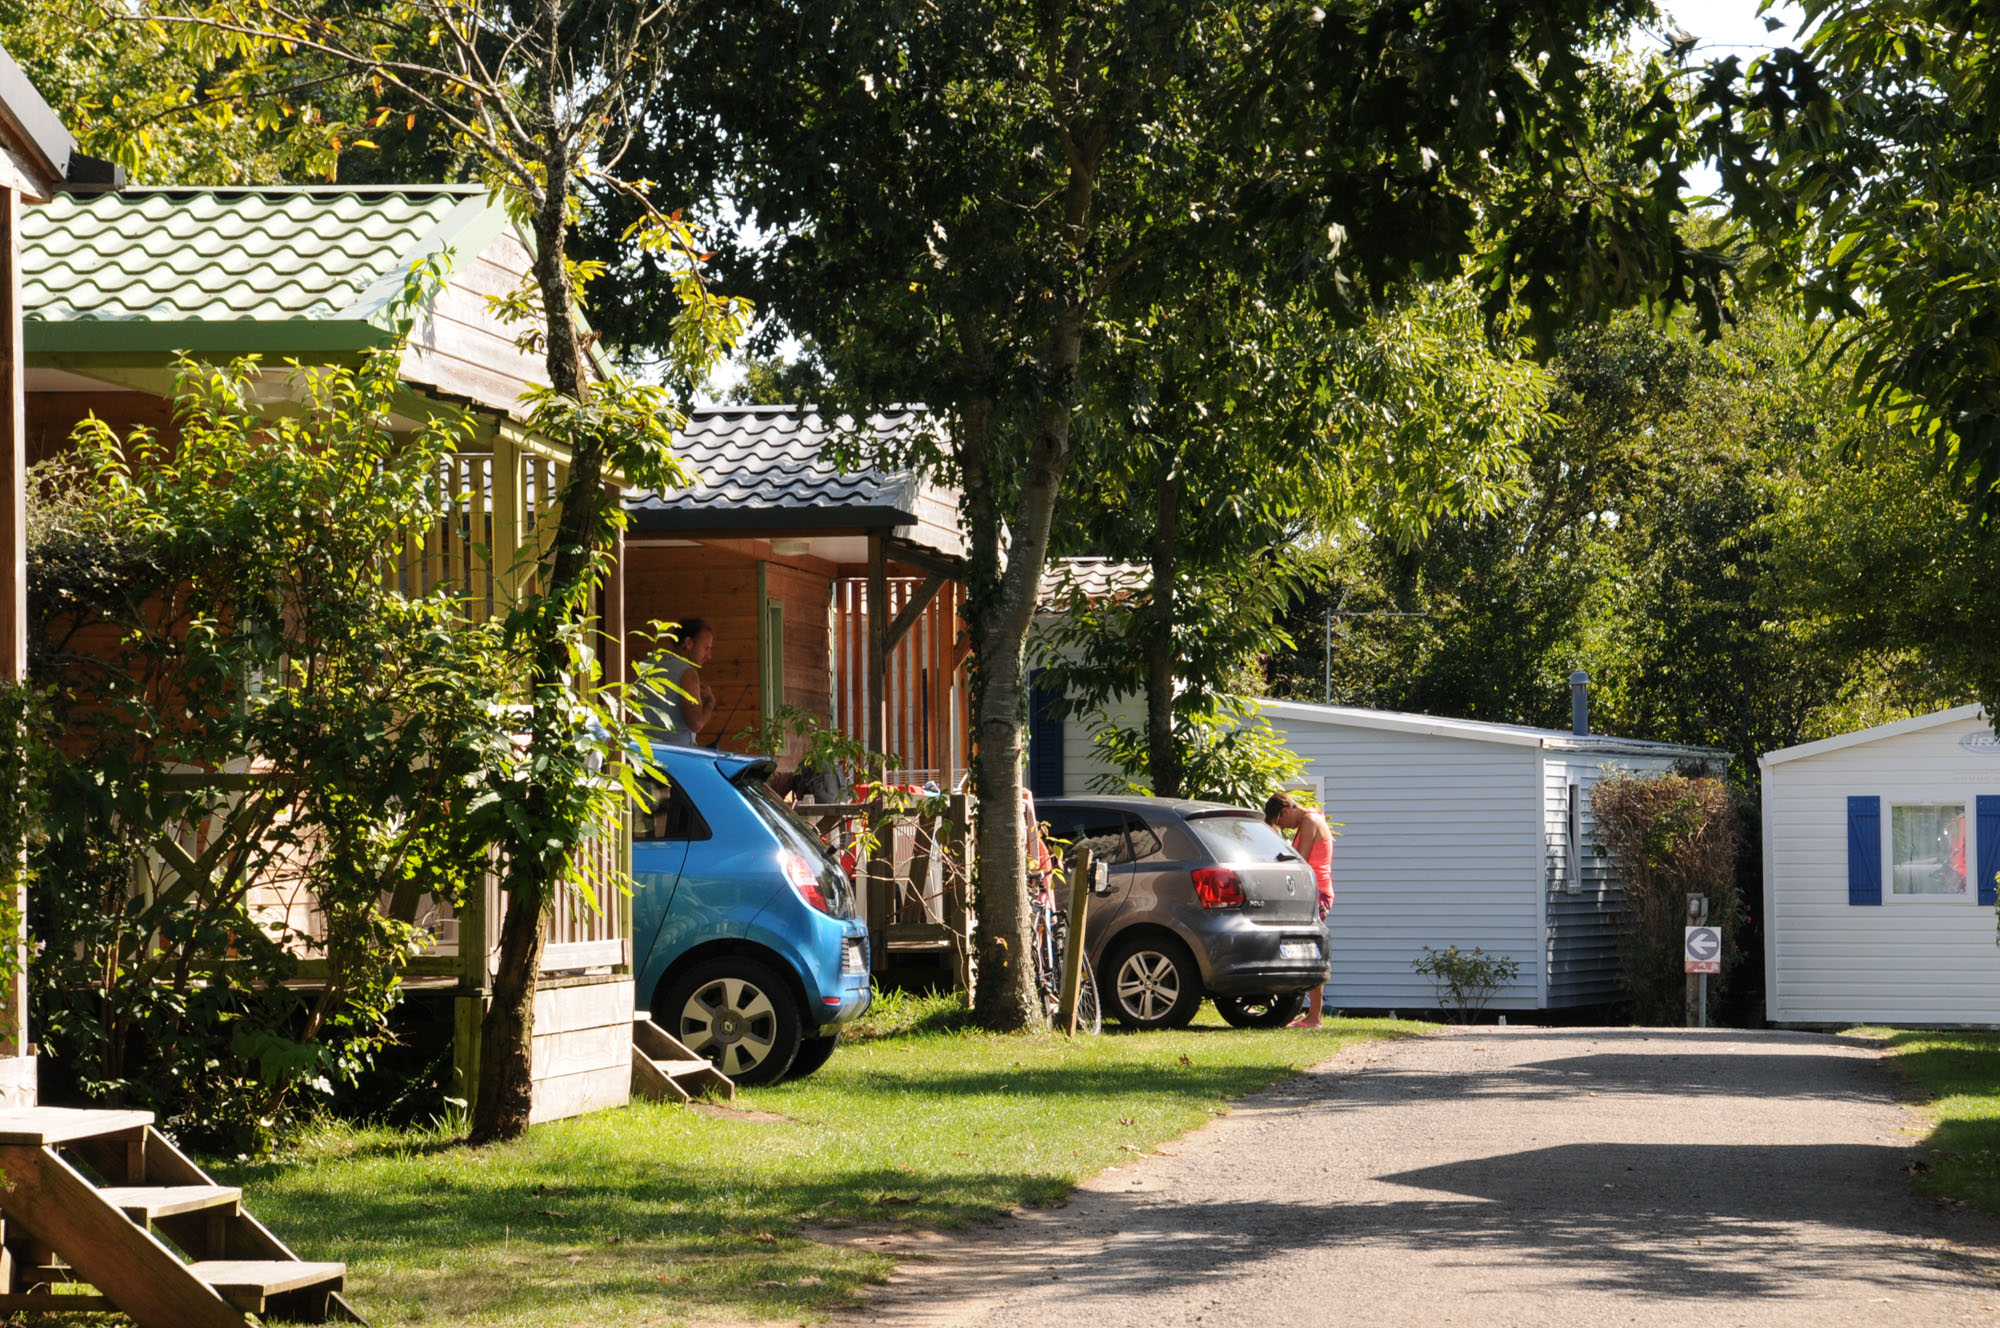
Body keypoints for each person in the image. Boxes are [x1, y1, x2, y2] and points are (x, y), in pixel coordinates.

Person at [1265, 791, 1334, 1029]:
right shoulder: (1310, 820)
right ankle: (1311, 1014)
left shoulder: (1309, 821)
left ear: (1285, 811)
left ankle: (1315, 1017)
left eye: (1280, 822)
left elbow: (1300, 861)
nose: (1283, 827)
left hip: (1316, 893)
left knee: (1311, 951)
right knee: (1305, 951)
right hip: (1312, 893)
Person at [635, 618, 715, 747]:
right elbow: (696, 724)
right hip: (675, 758)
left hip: (642, 751)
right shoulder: (687, 673)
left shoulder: (647, 665)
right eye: (706, 648)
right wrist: (710, 703)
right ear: (689, 643)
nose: (709, 655)